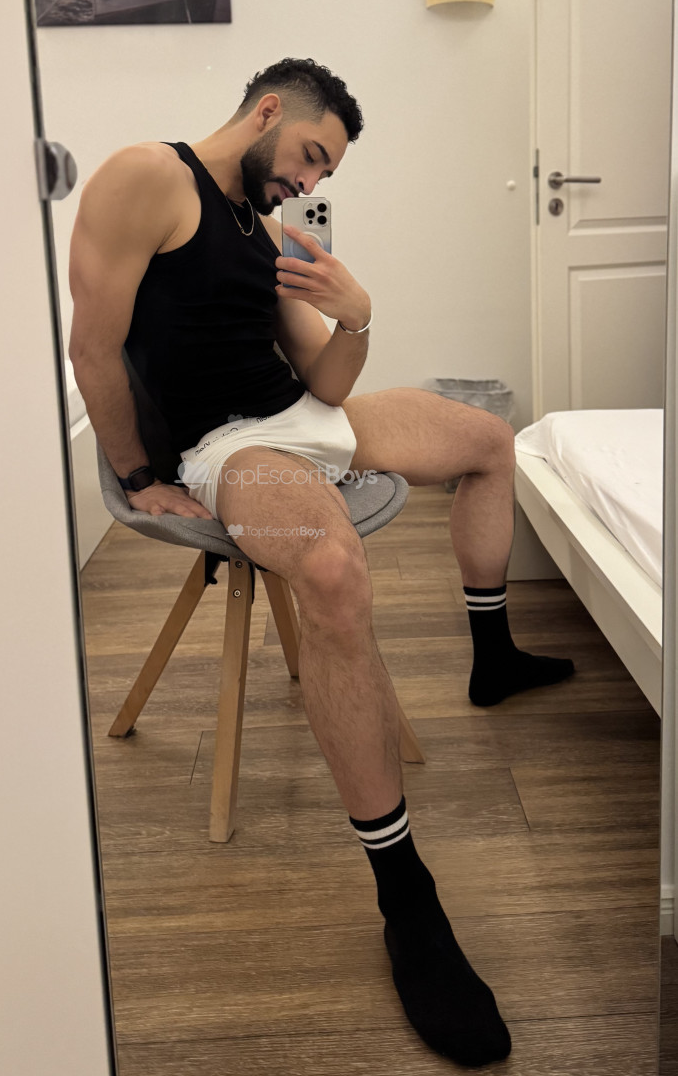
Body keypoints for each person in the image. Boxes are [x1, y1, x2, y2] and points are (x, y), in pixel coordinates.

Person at [69, 57, 574, 1068]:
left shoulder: (261, 231)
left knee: (489, 440)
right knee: (334, 572)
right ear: (267, 111)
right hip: (230, 447)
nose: (308, 181)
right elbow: (93, 344)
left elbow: (327, 381)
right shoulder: (147, 176)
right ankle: (406, 896)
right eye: (309, 155)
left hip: (301, 420)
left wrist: (357, 316)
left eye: (323, 173)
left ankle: (492, 654)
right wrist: (136, 473)